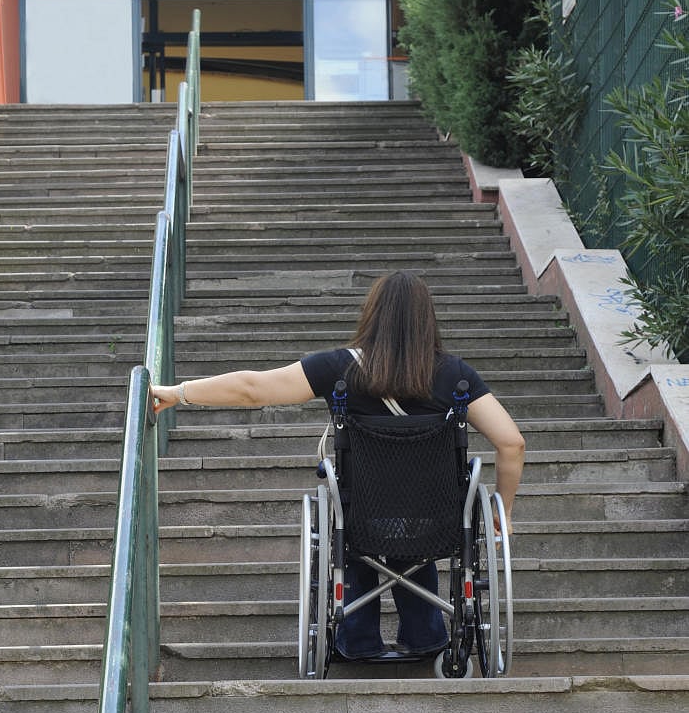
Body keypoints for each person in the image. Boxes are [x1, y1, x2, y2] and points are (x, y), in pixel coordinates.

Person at [151, 270, 525, 661]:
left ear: (372, 314)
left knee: (353, 527)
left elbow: (253, 388)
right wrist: (506, 510)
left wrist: (179, 393)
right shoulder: (455, 376)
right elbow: (511, 443)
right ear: (427, 320)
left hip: (361, 514)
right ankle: (426, 637)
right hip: (436, 520)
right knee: (414, 531)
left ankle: (359, 640)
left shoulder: (339, 369)